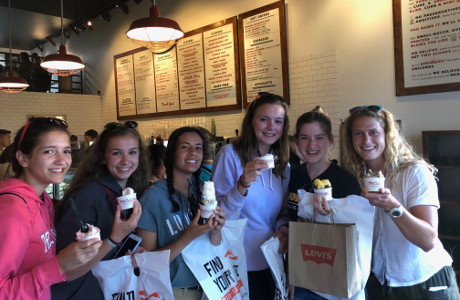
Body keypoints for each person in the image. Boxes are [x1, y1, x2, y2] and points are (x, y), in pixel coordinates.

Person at [341, 105, 460, 300]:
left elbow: (428, 240)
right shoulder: (358, 177)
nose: (366, 140)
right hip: (383, 283)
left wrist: (392, 207)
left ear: (387, 135)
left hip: (425, 283)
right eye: (358, 133)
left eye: (373, 132)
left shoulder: (414, 172)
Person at [0, 117, 101, 299]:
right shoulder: (14, 210)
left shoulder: (44, 200)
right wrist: (59, 265)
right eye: (49, 151)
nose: (62, 160)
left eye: (66, 151)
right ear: (23, 158)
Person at [51, 121, 149, 299]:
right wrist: (114, 239)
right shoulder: (87, 197)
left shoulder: (127, 193)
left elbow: (107, 254)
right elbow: (67, 265)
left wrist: (129, 252)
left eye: (132, 152)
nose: (126, 160)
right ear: (103, 157)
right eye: (117, 153)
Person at [212, 93, 290, 300]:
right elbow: (217, 216)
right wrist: (241, 185)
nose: (271, 127)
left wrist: (282, 228)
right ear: (251, 122)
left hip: (270, 262)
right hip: (235, 263)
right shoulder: (230, 155)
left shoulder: (283, 165)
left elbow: (281, 213)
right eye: (264, 119)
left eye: (278, 121)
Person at [137, 126, 226, 300]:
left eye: (198, 148)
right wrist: (188, 236)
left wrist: (217, 229)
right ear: (172, 154)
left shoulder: (202, 190)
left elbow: (215, 245)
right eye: (185, 147)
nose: (193, 152)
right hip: (174, 291)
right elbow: (145, 261)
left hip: (209, 285)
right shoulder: (153, 197)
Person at [287, 106, 362, 299]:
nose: (312, 144)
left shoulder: (346, 181)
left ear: (330, 141)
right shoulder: (292, 176)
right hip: (302, 279)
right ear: (296, 141)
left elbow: (361, 233)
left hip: (337, 282)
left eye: (319, 137)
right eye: (304, 138)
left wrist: (333, 217)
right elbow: (289, 217)